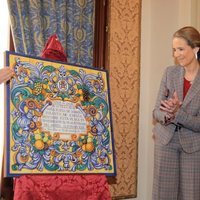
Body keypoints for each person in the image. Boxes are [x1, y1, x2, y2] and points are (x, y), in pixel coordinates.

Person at [152, 26, 200, 200]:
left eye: (181, 49)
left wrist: (178, 113)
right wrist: (168, 114)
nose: (176, 54)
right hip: (166, 142)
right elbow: (156, 112)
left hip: (194, 148)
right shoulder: (170, 73)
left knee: (191, 196)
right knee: (163, 195)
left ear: (195, 48)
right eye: (174, 50)